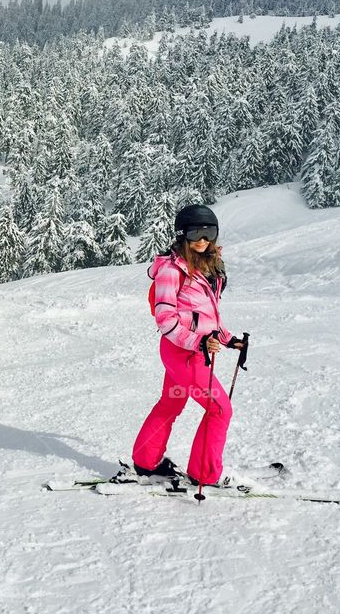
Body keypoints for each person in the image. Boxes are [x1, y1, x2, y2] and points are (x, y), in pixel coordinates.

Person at [129, 204, 246, 486]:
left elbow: (204, 317)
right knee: (220, 409)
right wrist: (199, 342)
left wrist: (229, 340)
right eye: (196, 233)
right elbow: (165, 319)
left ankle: (145, 462)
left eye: (209, 232)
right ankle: (204, 474)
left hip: (187, 351)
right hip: (185, 353)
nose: (203, 239)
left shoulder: (206, 267)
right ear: (183, 235)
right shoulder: (172, 270)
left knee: (171, 402)